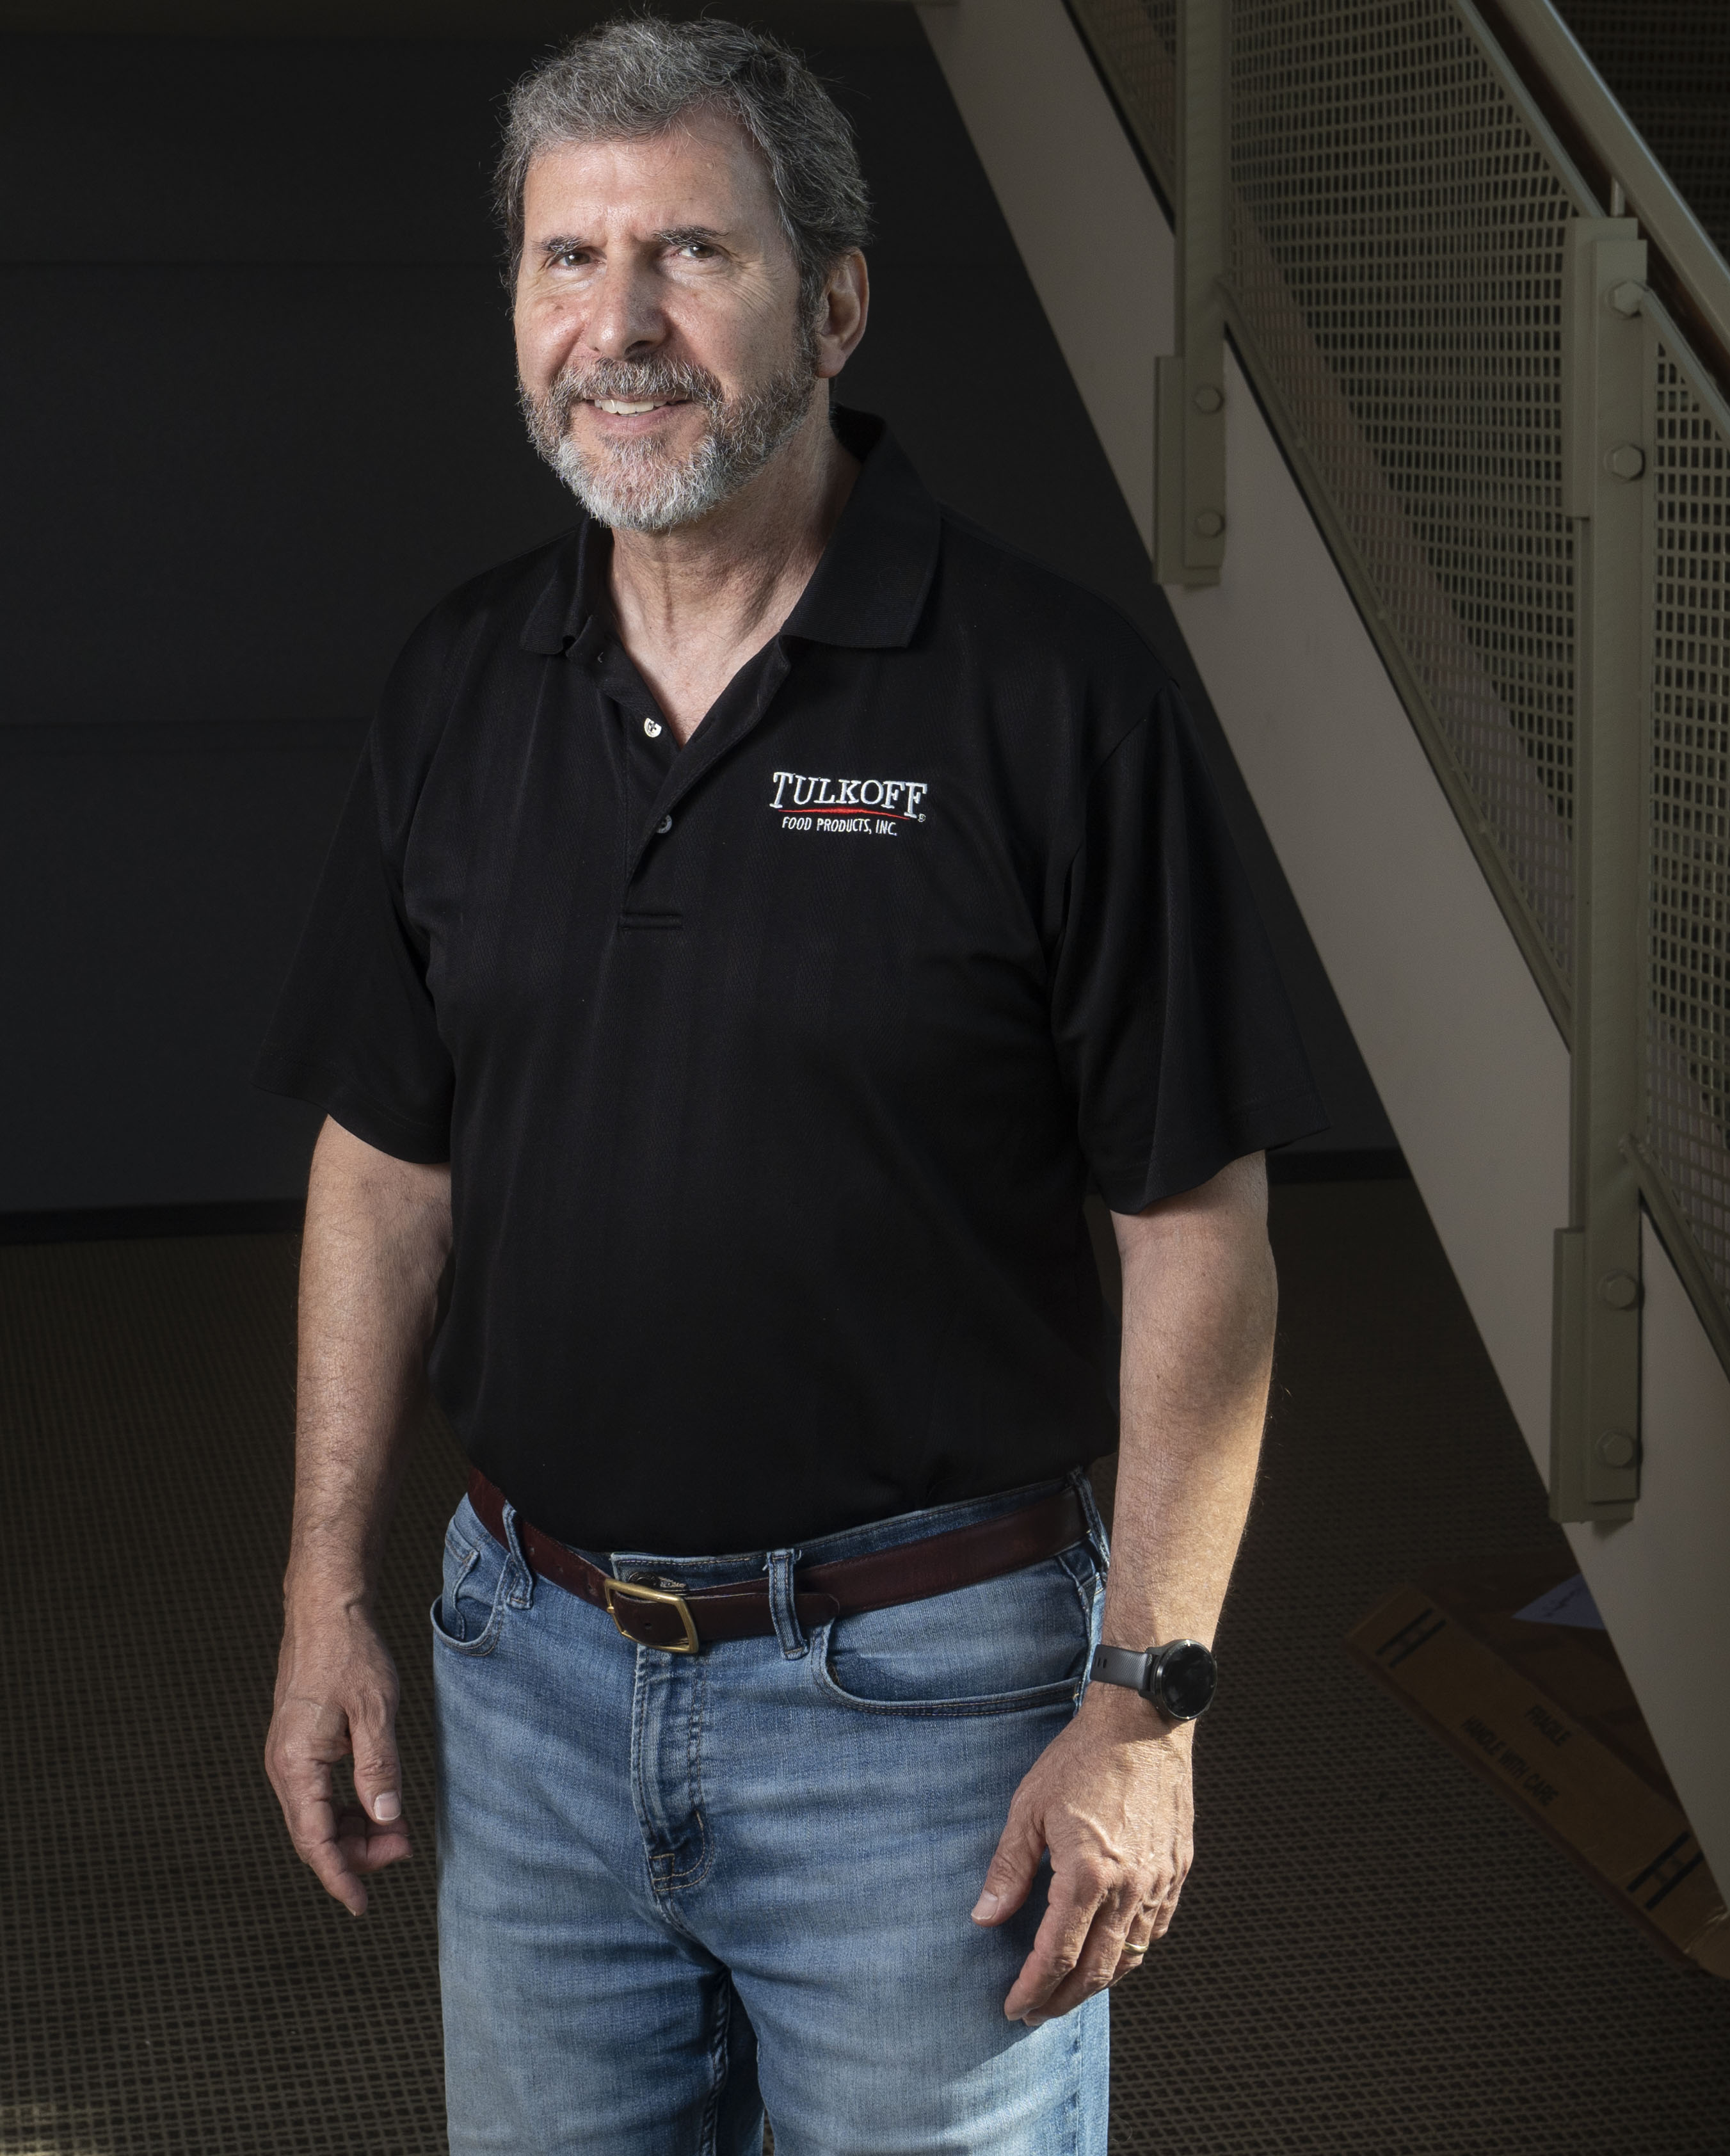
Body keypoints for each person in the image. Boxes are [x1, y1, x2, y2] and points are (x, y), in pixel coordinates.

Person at [255, 20, 1323, 2150]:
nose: (620, 325)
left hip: (927, 1710)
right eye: (568, 260)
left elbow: (1196, 1232)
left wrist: (1148, 1703)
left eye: (692, 255)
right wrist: (322, 1593)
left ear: (832, 305)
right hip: (532, 1676)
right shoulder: (463, 681)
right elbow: (384, 1172)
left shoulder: (1055, 701)